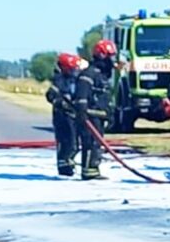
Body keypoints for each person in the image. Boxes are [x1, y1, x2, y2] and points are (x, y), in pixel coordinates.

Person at [75, 39, 118, 180]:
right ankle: (88, 171)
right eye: (110, 56)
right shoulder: (89, 73)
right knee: (89, 143)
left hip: (99, 116)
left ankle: (93, 169)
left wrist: (109, 115)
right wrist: (82, 112)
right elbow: (82, 95)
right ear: (101, 56)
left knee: (96, 144)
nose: (112, 60)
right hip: (90, 116)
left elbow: (105, 98)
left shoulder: (102, 75)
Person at [46, 53, 82, 177]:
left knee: (75, 143)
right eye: (72, 68)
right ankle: (64, 167)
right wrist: (62, 103)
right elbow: (50, 96)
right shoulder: (59, 80)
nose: (75, 71)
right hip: (62, 117)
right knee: (66, 142)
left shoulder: (74, 79)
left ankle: (69, 162)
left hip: (73, 116)